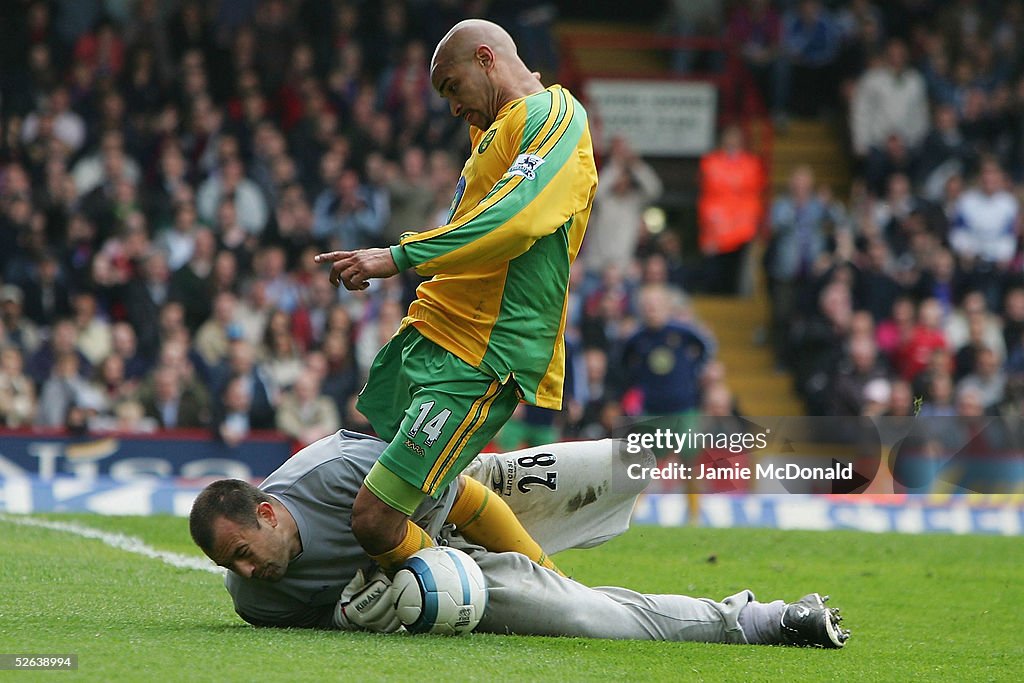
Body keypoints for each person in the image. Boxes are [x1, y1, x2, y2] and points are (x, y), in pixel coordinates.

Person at [313, 20, 598, 576]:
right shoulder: (494, 130)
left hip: (481, 353)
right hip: (432, 333)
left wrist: (398, 256)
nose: (451, 108)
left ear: (487, 59)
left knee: (375, 517)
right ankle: (523, 582)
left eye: (452, 88)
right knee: (425, 493)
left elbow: (516, 219)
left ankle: (498, 591)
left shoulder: (555, 117)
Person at [188, 430, 850, 648]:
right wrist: (352, 617)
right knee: (590, 617)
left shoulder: (340, 472)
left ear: (269, 513)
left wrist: (541, 564)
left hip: (464, 489)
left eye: (243, 550)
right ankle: (762, 620)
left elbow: (471, 500)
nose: (245, 570)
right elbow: (337, 615)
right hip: (441, 576)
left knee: (625, 457)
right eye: (230, 564)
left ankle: (775, 445)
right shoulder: (255, 601)